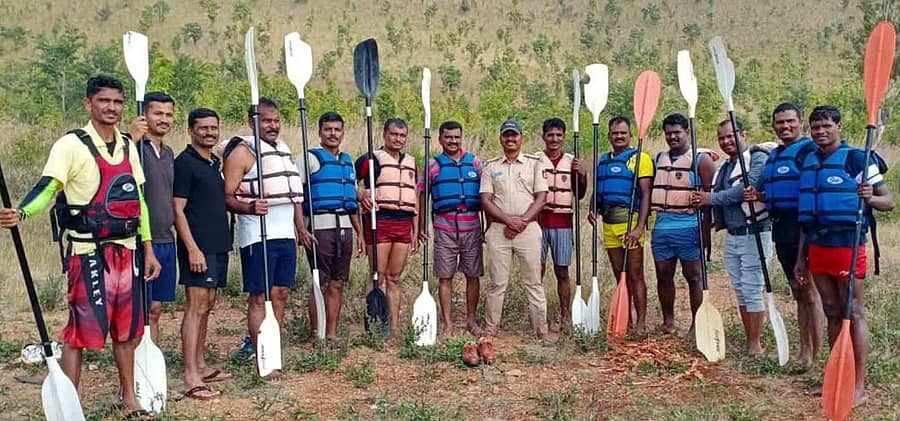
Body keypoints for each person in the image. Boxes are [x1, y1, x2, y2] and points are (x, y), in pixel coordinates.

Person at [0, 75, 161, 417]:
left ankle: (129, 398)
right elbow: (49, 186)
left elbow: (140, 201)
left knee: (126, 330)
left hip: (127, 251)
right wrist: (22, 212)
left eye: (118, 102)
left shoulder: (129, 146)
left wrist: (147, 247)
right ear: (88, 104)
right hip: (88, 253)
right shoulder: (70, 145)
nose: (112, 108)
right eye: (104, 101)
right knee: (80, 330)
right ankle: (70, 403)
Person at [794, 106, 893, 407]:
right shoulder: (808, 160)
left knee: (854, 311)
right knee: (832, 310)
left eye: (826, 126)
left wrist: (870, 197)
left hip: (847, 244)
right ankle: (836, 376)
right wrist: (801, 258)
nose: (820, 132)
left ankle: (858, 386)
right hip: (816, 244)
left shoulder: (857, 159)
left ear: (839, 125)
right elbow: (805, 217)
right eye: (815, 127)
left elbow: (887, 201)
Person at [222, 97, 313, 376]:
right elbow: (226, 196)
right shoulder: (242, 153)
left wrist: (300, 228)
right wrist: (248, 206)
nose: (273, 126)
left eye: (276, 120)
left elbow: (295, 196)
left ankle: (272, 347)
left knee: (281, 293)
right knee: (260, 297)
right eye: (266, 120)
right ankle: (262, 353)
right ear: (253, 122)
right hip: (258, 235)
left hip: (285, 234)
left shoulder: (283, 150)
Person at [744, 102, 824, 368]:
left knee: (810, 291)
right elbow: (780, 192)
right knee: (797, 291)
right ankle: (804, 351)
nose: (785, 126)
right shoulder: (776, 155)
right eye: (780, 122)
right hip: (782, 226)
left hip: (804, 228)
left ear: (800, 122)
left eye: (791, 121)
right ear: (773, 125)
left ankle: (817, 355)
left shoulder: (810, 151)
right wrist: (759, 196)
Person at [691, 119, 771, 356]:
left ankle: (755, 345)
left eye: (730, 136)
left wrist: (709, 199)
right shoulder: (726, 167)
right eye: (722, 138)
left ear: (741, 134)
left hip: (755, 232)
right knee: (740, 287)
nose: (726, 141)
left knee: (752, 287)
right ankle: (749, 339)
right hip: (733, 236)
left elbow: (744, 189)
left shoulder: (757, 158)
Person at [173, 108, 233, 399]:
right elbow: (177, 209)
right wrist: (193, 249)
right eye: (203, 128)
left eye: (213, 127)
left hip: (217, 245)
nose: (209, 132)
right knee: (195, 307)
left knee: (207, 304)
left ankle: (201, 363)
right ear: (190, 130)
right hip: (198, 248)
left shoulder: (212, 162)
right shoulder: (184, 163)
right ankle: (190, 376)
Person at [481, 119, 553, 344]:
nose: (510, 139)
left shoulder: (534, 163)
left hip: (528, 230)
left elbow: (541, 198)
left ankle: (541, 330)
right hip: (499, 231)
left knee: (534, 282)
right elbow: (485, 199)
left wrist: (521, 222)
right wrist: (508, 221)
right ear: (501, 138)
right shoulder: (491, 167)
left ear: (521, 137)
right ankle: (491, 329)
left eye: (514, 135)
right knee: (496, 284)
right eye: (506, 135)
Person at [296, 111, 366, 340]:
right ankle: (318, 334)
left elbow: (351, 200)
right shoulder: (308, 158)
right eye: (328, 129)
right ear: (320, 132)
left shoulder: (347, 161)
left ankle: (332, 332)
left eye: (337, 130)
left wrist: (360, 234)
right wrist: (301, 229)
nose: (333, 134)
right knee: (321, 281)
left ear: (343, 132)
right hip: (320, 227)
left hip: (344, 228)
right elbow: (296, 196)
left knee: (337, 283)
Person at [649, 113, 715, 335]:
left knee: (693, 276)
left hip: (689, 226)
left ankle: (697, 326)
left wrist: (705, 234)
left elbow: (709, 201)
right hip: (662, 227)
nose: (672, 137)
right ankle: (668, 322)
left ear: (687, 132)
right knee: (663, 275)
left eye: (677, 132)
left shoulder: (701, 160)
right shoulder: (658, 159)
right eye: (668, 133)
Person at [417, 120, 484, 338]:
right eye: (448, 137)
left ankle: (471, 320)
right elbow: (421, 196)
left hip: (472, 225)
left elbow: (487, 194)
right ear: (440, 139)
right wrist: (420, 227)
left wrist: (488, 225)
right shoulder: (433, 165)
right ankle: (447, 324)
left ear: (461, 138)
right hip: (444, 226)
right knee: (445, 276)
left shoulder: (474, 163)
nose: (453, 141)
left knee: (473, 275)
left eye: (456, 137)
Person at [355, 117, 420, 338]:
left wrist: (415, 229)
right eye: (394, 134)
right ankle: (375, 323)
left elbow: (414, 196)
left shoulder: (411, 161)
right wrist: (360, 194)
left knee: (394, 277)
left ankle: (393, 326)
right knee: (377, 275)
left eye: (402, 135)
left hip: (403, 224)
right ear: (384, 135)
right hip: (379, 221)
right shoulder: (371, 160)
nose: (398, 139)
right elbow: (348, 181)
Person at [588, 117, 653, 334]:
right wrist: (592, 209)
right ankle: (626, 320)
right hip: (608, 225)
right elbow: (599, 190)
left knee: (635, 275)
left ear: (630, 134)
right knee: (620, 274)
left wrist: (639, 227)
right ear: (609, 135)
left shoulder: (640, 158)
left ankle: (641, 322)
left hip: (629, 224)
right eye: (615, 133)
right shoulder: (603, 161)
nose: (619, 136)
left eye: (623, 133)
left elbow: (646, 195)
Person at [129, 91, 177, 343]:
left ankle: (151, 359)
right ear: (144, 115)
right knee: (141, 309)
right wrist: (131, 139)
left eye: (168, 114)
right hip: (140, 240)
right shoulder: (132, 147)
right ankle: (135, 368)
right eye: (158, 113)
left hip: (165, 238)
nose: (164, 119)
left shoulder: (168, 152)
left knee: (156, 308)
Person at [535, 118, 587, 332]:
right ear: (543, 137)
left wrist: (582, 175)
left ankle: (565, 315)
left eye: (558, 135)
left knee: (562, 270)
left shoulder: (572, 161)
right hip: (538, 224)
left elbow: (580, 194)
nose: (554, 139)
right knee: (536, 270)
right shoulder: (535, 160)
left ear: (564, 137)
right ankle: (538, 316)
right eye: (550, 135)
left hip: (563, 224)